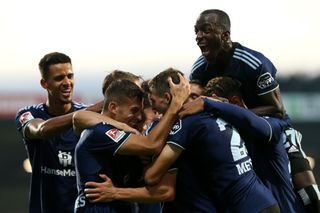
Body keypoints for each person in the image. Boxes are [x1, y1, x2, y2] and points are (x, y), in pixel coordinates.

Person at [85, 69, 280, 213]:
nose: (152, 110)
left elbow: (155, 180)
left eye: (152, 101)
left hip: (244, 207)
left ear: (168, 97)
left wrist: (117, 191)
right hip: (261, 200)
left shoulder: (183, 125)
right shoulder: (214, 110)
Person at [190, 9, 320, 212]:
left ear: (225, 35)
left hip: (274, 128)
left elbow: (277, 109)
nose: (199, 37)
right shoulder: (199, 69)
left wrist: (233, 111)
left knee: (310, 195)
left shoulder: (254, 63)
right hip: (235, 135)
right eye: (196, 31)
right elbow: (194, 102)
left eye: (206, 30)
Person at [180, 76, 305, 212]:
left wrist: (209, 103)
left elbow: (254, 122)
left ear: (233, 102)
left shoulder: (270, 124)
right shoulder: (223, 135)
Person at [73, 76, 190, 212]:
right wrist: (175, 105)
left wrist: (116, 192)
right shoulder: (98, 132)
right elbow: (152, 145)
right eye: (134, 110)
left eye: (140, 111)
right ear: (113, 107)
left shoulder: (129, 140)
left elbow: (162, 190)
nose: (140, 117)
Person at [15, 52, 96, 212]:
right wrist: (93, 111)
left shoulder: (89, 115)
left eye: (70, 76)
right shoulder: (29, 114)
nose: (67, 82)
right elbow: (41, 130)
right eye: (59, 78)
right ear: (44, 83)